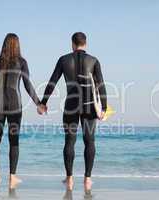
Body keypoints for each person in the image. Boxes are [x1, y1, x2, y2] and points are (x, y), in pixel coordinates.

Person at [39, 32, 107, 190]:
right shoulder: (94, 61)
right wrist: (103, 107)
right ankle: (87, 179)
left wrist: (43, 102)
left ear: (72, 44)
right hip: (90, 106)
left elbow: (52, 82)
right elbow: (101, 85)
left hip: (71, 105)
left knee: (69, 141)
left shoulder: (64, 60)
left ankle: (69, 179)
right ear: (86, 44)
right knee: (89, 141)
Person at [0, 33, 44, 189]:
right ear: (18, 45)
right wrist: (39, 103)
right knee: (14, 141)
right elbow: (27, 84)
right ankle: (12, 177)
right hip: (15, 106)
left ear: (3, 45)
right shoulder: (21, 62)